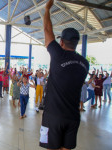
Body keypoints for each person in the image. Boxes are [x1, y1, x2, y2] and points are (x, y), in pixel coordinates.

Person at [40, 0, 89, 149]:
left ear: (61, 42)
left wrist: (47, 9)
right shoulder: (85, 63)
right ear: (76, 43)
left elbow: (48, 31)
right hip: (73, 117)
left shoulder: (58, 55)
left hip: (53, 116)